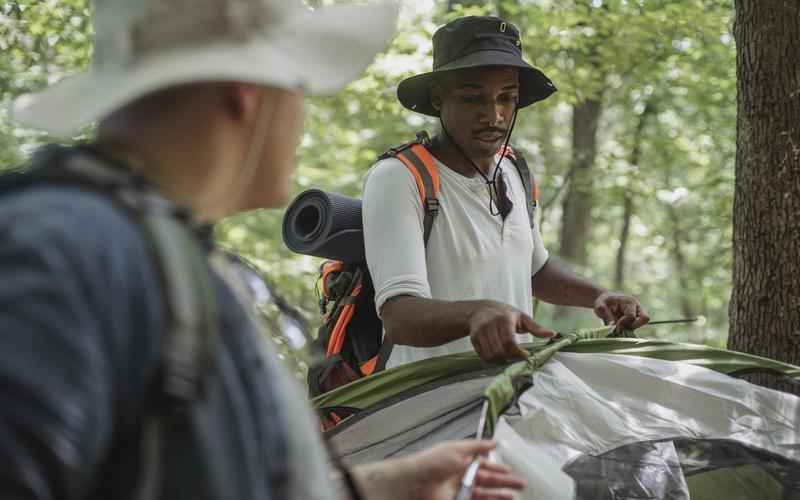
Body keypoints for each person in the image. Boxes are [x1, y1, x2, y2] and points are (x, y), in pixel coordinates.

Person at [1, 1, 525, 499]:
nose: (300, 117)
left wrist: (373, 490)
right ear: (248, 93)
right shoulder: (69, 254)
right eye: (298, 87)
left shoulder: (152, 256)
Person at [363, 16, 649, 369]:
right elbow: (399, 316)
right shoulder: (400, 178)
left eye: (507, 98)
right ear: (438, 98)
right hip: (426, 402)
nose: (494, 115)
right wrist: (476, 313)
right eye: (473, 98)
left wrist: (599, 296)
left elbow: (535, 270)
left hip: (512, 389)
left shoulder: (516, 170)